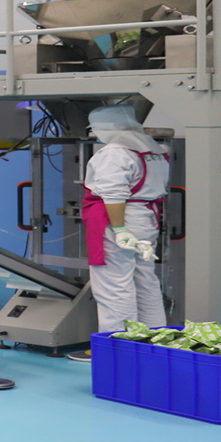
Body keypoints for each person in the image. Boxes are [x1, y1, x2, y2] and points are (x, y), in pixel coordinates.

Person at [69, 105, 170, 362]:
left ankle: (118, 353)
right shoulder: (154, 150)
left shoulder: (114, 153)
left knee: (114, 287)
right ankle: (154, 345)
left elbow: (114, 194)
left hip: (120, 219)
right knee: (146, 282)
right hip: (146, 218)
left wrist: (120, 229)